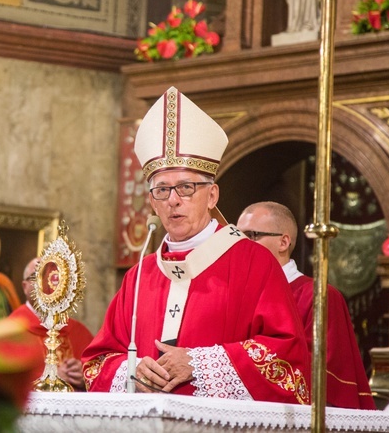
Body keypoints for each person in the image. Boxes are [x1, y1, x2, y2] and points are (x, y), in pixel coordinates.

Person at [82, 86, 311, 403]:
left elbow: (287, 357)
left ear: (212, 195)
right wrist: (131, 371)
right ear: (152, 201)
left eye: (186, 187)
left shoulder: (253, 262)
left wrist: (200, 364)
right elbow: (98, 361)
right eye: (162, 191)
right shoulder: (140, 276)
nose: (173, 200)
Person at [236, 201, 376, 409]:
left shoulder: (319, 296)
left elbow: (322, 376)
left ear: (283, 242)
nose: (241, 244)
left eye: (252, 235)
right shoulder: (237, 297)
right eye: (237, 236)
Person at [8, 257, 94, 390]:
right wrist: (49, 378)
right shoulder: (11, 330)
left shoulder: (78, 331)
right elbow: (7, 379)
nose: (46, 282)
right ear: (25, 287)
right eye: (37, 275)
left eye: (52, 276)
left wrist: (84, 375)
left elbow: (99, 374)